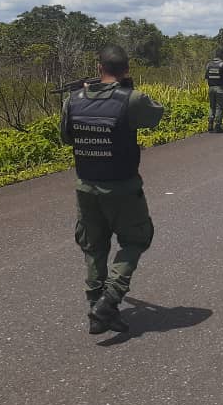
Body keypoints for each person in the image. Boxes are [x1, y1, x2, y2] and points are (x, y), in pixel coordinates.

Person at [60, 45, 165, 334]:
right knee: (136, 239)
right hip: (122, 187)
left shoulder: (73, 100)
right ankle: (109, 300)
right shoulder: (131, 99)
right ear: (126, 69)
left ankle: (97, 308)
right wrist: (129, 90)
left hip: (86, 186)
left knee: (93, 248)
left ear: (98, 67)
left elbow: (66, 138)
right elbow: (156, 115)